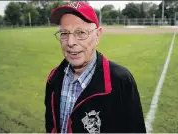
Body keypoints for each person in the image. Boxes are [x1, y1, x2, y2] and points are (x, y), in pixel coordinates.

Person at [45, 1, 146, 133]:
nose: (70, 42)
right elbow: (51, 125)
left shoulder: (121, 80)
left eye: (80, 33)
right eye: (64, 33)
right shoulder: (54, 78)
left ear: (97, 35)